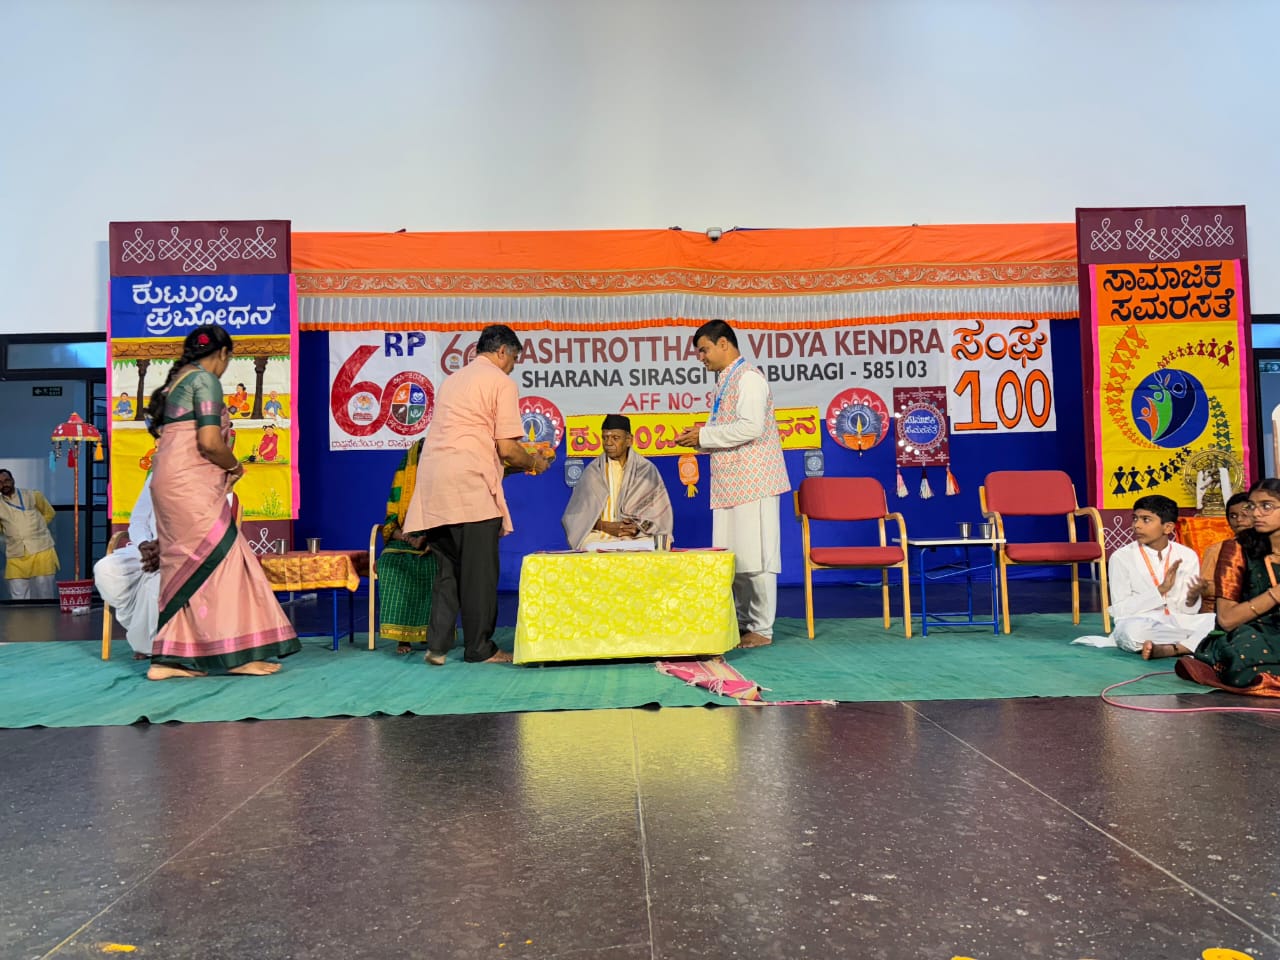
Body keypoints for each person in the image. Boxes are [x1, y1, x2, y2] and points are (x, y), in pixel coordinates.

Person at [143, 325, 299, 680]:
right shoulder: (204, 380)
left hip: (168, 482)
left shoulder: (176, 382)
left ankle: (166, 660)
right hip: (190, 485)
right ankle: (233, 656)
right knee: (224, 561)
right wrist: (235, 467)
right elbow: (210, 443)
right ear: (224, 353)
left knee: (185, 566)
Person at [402, 324, 553, 666]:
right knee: (480, 573)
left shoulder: (453, 381)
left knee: (448, 571)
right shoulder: (500, 382)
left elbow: (481, 445)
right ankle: (480, 649)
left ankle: (437, 647)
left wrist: (521, 461)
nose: (513, 366)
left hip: (435, 485)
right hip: (469, 488)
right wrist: (534, 463)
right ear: (502, 352)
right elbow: (507, 449)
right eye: (514, 358)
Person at [674, 319, 790, 649]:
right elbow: (726, 429)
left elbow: (751, 427)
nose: (701, 358)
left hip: (755, 480)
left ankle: (762, 629)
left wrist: (704, 436)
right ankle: (741, 623)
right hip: (730, 483)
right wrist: (698, 439)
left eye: (704, 350)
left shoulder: (749, 378)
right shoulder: (725, 381)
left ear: (724, 343)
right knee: (734, 558)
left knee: (758, 559)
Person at [1072, 495, 1215, 659]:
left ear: (1168, 527)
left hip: (1178, 621)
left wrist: (1192, 597)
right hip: (1141, 623)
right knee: (1131, 633)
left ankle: (1173, 649)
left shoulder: (1187, 555)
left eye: (1146, 520)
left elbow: (1188, 612)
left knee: (1216, 621)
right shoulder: (1121, 557)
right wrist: (1160, 591)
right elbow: (1120, 611)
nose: (1136, 525)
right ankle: (1193, 644)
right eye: (1135, 518)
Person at [1183, 478, 1280, 692]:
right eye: (1252, 506)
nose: (1256, 514)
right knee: (1247, 657)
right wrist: (1274, 595)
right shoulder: (1236, 549)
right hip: (1251, 631)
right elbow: (1226, 620)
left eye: (1266, 506)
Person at [561, 414, 674, 550]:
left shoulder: (645, 470)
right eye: (605, 438)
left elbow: (658, 518)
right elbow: (576, 518)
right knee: (591, 546)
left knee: (659, 543)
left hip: (637, 537)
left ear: (629, 440)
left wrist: (636, 528)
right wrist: (604, 526)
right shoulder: (593, 471)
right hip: (600, 536)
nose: (608, 443)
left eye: (615, 438)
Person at [377, 437, 438, 654]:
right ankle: (403, 638)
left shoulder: (441, 483)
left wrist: (428, 539)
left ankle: (430, 633)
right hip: (403, 540)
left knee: (434, 567)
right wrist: (410, 539)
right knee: (389, 565)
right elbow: (390, 524)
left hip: (434, 541)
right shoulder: (403, 487)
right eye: (420, 459)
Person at [94, 475, 160, 658]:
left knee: (156, 577)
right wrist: (144, 545)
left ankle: (149, 644)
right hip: (147, 547)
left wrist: (166, 548)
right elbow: (138, 520)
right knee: (105, 570)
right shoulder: (157, 475)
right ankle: (139, 632)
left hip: (183, 552)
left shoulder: (206, 473)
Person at [1187, 492, 1253, 613]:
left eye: (1245, 515)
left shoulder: (1270, 546)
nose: (1238, 520)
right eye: (1233, 516)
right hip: (1218, 613)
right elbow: (1206, 588)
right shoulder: (1216, 550)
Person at [0, 469, 59, 600]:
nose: (4, 484)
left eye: (7, 480)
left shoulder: (32, 495)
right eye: (0, 482)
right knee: (18, 596)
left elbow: (49, 513)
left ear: (13, 480)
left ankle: (46, 614)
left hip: (41, 550)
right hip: (15, 553)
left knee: (44, 592)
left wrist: (37, 528)